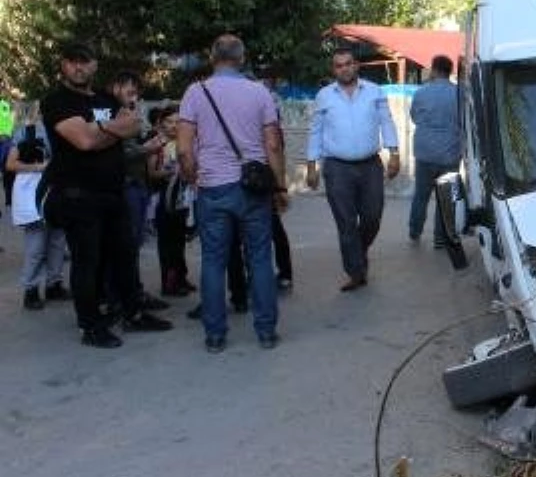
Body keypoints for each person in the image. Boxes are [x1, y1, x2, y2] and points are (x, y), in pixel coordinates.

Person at [39, 41, 173, 348]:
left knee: (125, 257)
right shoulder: (57, 101)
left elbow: (133, 125)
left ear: (95, 65)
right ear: (63, 65)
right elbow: (84, 141)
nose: (79, 67)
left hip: (114, 194)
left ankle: (133, 313)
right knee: (88, 263)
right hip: (78, 197)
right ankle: (90, 326)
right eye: (72, 61)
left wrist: (99, 129)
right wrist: (111, 129)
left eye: (85, 61)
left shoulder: (104, 98)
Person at [177, 34, 287, 353]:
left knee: (213, 261)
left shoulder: (195, 93)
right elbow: (274, 144)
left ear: (213, 57)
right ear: (241, 58)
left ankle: (214, 335)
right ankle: (266, 332)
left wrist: (192, 176)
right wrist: (279, 186)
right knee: (260, 259)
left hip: (212, 188)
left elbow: (184, 149)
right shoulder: (260, 92)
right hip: (253, 188)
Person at [305, 48, 400, 291]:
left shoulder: (374, 91)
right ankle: (356, 272)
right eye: (338, 65)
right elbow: (315, 131)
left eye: (348, 63)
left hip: (370, 165)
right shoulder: (324, 96)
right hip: (337, 168)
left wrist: (394, 153)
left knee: (373, 216)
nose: (344, 68)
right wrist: (311, 166)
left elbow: (386, 121)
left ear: (356, 65)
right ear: (333, 70)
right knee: (346, 223)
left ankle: (358, 251)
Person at [109, 70, 170, 311]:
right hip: (127, 186)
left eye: (136, 90)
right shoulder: (114, 115)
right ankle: (122, 298)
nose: (133, 94)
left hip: (139, 184)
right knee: (126, 245)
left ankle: (133, 292)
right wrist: (148, 149)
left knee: (134, 243)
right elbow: (120, 153)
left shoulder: (133, 113)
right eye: (128, 89)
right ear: (115, 88)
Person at [6, 113, 69, 310]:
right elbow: (10, 164)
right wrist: (40, 167)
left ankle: (54, 285)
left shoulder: (67, 130)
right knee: (37, 245)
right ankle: (31, 290)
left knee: (58, 241)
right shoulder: (27, 131)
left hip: (58, 192)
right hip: (33, 194)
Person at [408, 55, 461, 249]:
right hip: (450, 154)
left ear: (435, 70)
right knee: (445, 199)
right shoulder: (459, 94)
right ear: (449, 71)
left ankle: (415, 231)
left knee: (421, 195)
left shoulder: (421, 93)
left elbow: (414, 117)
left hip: (424, 153)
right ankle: (441, 238)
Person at [149, 104, 195, 297]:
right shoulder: (156, 143)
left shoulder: (186, 142)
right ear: (161, 123)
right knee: (168, 243)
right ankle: (169, 284)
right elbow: (151, 172)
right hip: (164, 200)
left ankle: (181, 278)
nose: (174, 126)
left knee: (179, 240)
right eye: (169, 121)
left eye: (178, 121)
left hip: (183, 199)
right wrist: (167, 172)